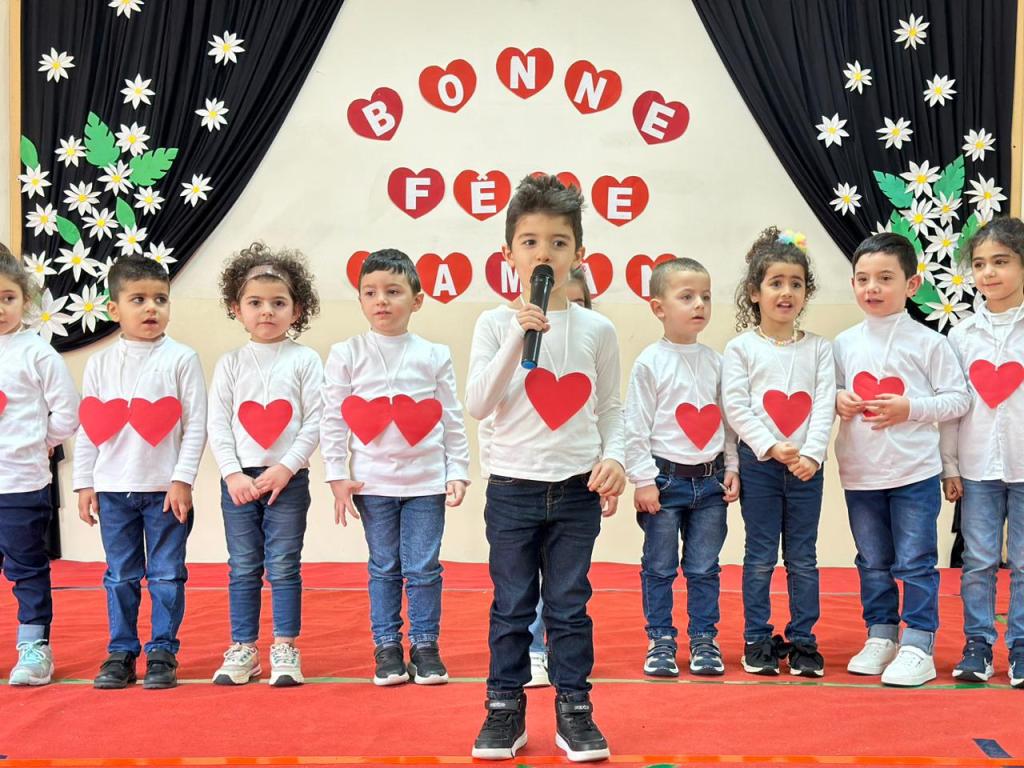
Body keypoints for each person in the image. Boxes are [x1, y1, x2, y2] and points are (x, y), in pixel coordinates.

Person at [466, 174, 625, 762]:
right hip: (513, 488)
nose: (544, 254)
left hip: (577, 490)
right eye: (530, 242)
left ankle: (575, 710)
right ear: (508, 253)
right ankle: (503, 709)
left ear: (578, 253)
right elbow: (479, 402)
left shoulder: (597, 328)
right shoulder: (493, 324)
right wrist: (518, 335)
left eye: (558, 243)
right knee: (511, 605)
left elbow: (611, 408)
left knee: (569, 605)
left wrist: (614, 457)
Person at [322, 249, 470, 687]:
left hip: (426, 483)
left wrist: (457, 470)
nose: (381, 301)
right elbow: (333, 418)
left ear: (417, 300)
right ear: (360, 301)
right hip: (373, 484)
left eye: (392, 291)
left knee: (424, 567)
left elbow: (451, 417)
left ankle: (425, 645)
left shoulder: (434, 354)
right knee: (384, 565)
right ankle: (386, 645)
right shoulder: (347, 353)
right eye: (370, 293)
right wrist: (337, 474)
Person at [834, 232, 969, 687]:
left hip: (914, 473)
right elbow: (827, 391)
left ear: (911, 284)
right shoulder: (843, 343)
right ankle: (881, 634)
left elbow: (958, 399)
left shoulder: (929, 342)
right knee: (872, 560)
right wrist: (838, 398)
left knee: (914, 560)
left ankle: (918, 643)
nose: (872, 288)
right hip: (860, 473)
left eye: (885, 278)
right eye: (863, 278)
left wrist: (909, 408)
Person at [75, 255, 207, 689]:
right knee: (120, 574)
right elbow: (89, 427)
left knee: (167, 574)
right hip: (114, 491)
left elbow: (196, 425)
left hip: (165, 492)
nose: (152, 308)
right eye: (139, 299)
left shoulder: (182, 358)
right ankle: (121, 651)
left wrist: (182, 480)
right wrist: (85, 482)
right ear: (114, 309)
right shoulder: (100, 363)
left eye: (160, 299)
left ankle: (163, 651)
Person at [207, 243, 323, 687]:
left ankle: (285, 645)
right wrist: (232, 473)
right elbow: (218, 423)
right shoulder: (231, 363)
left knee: (284, 564)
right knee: (242, 565)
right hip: (239, 483)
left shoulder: (305, 360)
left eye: (278, 303)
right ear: (236, 308)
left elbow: (316, 420)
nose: (267, 311)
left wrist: (287, 467)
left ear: (297, 310)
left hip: (287, 481)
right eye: (255, 303)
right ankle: (243, 647)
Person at [723, 228, 835, 677]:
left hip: (807, 469)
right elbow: (736, 406)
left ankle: (804, 640)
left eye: (796, 283)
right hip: (761, 467)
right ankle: (757, 638)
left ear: (806, 292)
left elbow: (824, 404)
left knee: (803, 557)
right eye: (776, 283)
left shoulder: (819, 348)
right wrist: (770, 445)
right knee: (760, 555)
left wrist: (812, 455)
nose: (786, 292)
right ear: (755, 292)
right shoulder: (741, 348)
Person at [626, 257, 739, 679]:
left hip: (710, 484)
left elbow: (728, 422)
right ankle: (660, 639)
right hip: (664, 481)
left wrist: (732, 466)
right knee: (659, 566)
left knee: (704, 567)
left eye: (705, 297)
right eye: (687, 297)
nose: (699, 305)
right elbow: (635, 426)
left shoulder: (717, 362)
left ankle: (704, 639)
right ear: (658, 307)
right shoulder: (650, 362)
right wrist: (643, 480)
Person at [940, 217, 1024, 687]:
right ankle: (977, 643)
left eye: (1001, 262)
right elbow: (953, 408)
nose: (988, 273)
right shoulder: (962, 334)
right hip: (977, 468)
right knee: (979, 560)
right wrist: (950, 465)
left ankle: (1022, 646)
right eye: (979, 264)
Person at [0, 244, 79, 686]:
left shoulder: (37, 353)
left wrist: (41, 443)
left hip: (21, 484)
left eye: (8, 298)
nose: (0, 308)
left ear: (25, 300)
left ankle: (34, 647)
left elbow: (67, 411)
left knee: (27, 567)